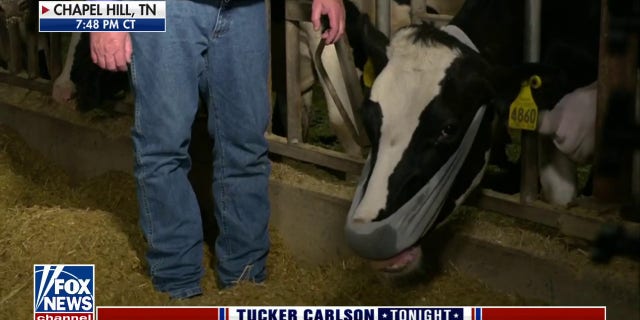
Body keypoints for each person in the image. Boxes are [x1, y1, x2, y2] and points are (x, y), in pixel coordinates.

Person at [89, 0, 345, 299]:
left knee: (247, 149)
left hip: (245, 8)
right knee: (163, 150)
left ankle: (246, 282)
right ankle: (177, 285)